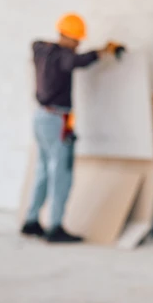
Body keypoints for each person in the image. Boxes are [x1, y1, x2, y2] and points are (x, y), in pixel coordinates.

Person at [21, 13, 120, 243]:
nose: (78, 46)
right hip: (57, 119)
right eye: (77, 41)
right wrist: (101, 52)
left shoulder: (42, 49)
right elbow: (73, 61)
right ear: (69, 37)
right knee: (61, 174)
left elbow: (44, 46)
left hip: (41, 118)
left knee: (43, 170)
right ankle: (55, 227)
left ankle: (31, 220)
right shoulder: (63, 57)